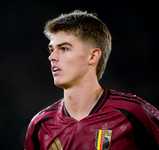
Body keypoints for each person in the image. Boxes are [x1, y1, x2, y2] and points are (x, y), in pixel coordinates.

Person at [24, 10, 159, 150]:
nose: (52, 57)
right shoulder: (40, 125)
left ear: (93, 56)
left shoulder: (133, 113)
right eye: (51, 50)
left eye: (64, 48)